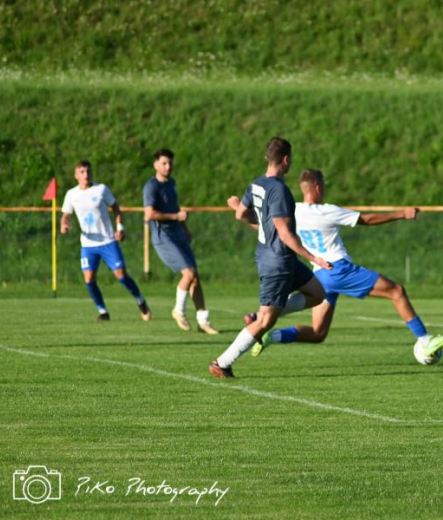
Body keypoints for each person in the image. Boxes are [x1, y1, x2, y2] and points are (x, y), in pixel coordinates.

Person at [254, 168, 443, 359]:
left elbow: (264, 225)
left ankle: (271, 335)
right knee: (396, 291)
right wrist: (402, 214)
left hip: (319, 275)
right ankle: (425, 339)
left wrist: (239, 207)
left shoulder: (293, 210)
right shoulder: (326, 211)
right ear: (318, 188)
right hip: (338, 270)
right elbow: (366, 219)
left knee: (318, 333)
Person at [209, 138, 332, 378]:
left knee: (317, 293)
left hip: (278, 258)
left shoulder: (257, 184)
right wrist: (313, 257)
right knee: (265, 323)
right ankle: (222, 362)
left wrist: (239, 207)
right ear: (286, 160)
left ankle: (263, 314)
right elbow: (285, 233)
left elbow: (241, 215)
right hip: (278, 262)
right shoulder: (280, 190)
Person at [61, 160, 151, 321]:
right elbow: (66, 214)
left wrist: (120, 228)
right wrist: (64, 223)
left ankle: (140, 300)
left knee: (121, 276)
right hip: (88, 245)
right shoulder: (71, 194)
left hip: (108, 241)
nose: (86, 175)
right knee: (89, 279)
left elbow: (115, 207)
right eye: (82, 172)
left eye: (88, 171)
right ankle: (103, 311)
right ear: (76, 176)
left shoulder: (101, 189)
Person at [143, 149, 218, 334]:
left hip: (177, 234)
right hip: (163, 237)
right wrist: (176, 216)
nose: (168, 167)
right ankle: (178, 310)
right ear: (155, 165)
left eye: (170, 163)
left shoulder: (172, 183)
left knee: (195, 278)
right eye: (164, 163)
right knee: (189, 274)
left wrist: (185, 230)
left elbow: (176, 208)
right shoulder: (151, 187)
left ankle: (203, 321)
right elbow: (149, 214)